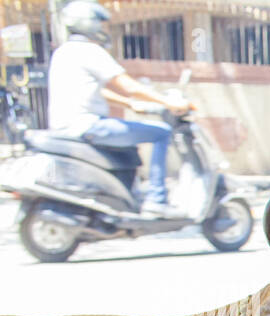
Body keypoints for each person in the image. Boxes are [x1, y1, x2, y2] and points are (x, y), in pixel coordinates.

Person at [48, 1, 197, 215]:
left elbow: (95, 90)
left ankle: (130, 195)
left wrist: (129, 105)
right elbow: (127, 85)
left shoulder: (63, 52)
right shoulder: (89, 51)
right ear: (88, 24)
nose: (104, 29)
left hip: (69, 127)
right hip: (89, 126)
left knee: (129, 143)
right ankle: (157, 199)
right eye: (101, 24)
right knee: (161, 133)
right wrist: (168, 102)